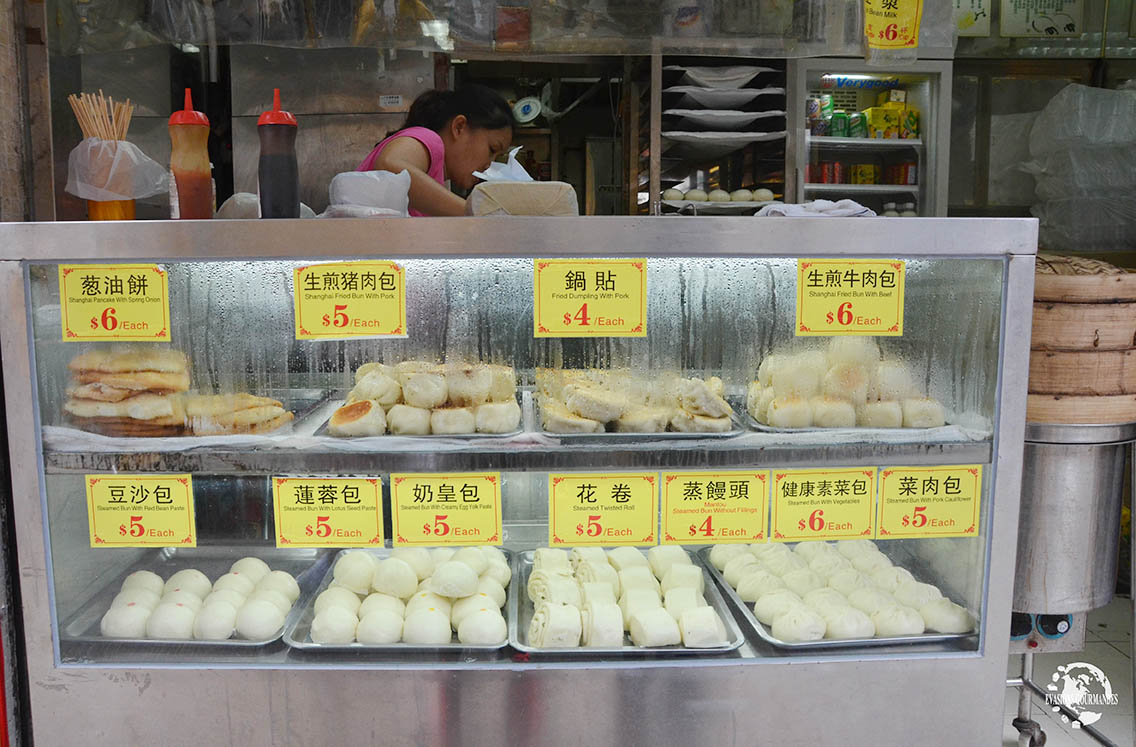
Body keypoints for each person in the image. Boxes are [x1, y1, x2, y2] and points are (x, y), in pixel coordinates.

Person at [358, 84, 514, 216]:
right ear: (459, 127)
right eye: (492, 149)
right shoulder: (427, 138)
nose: (490, 164)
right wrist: (475, 213)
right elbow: (390, 169)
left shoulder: (434, 177)